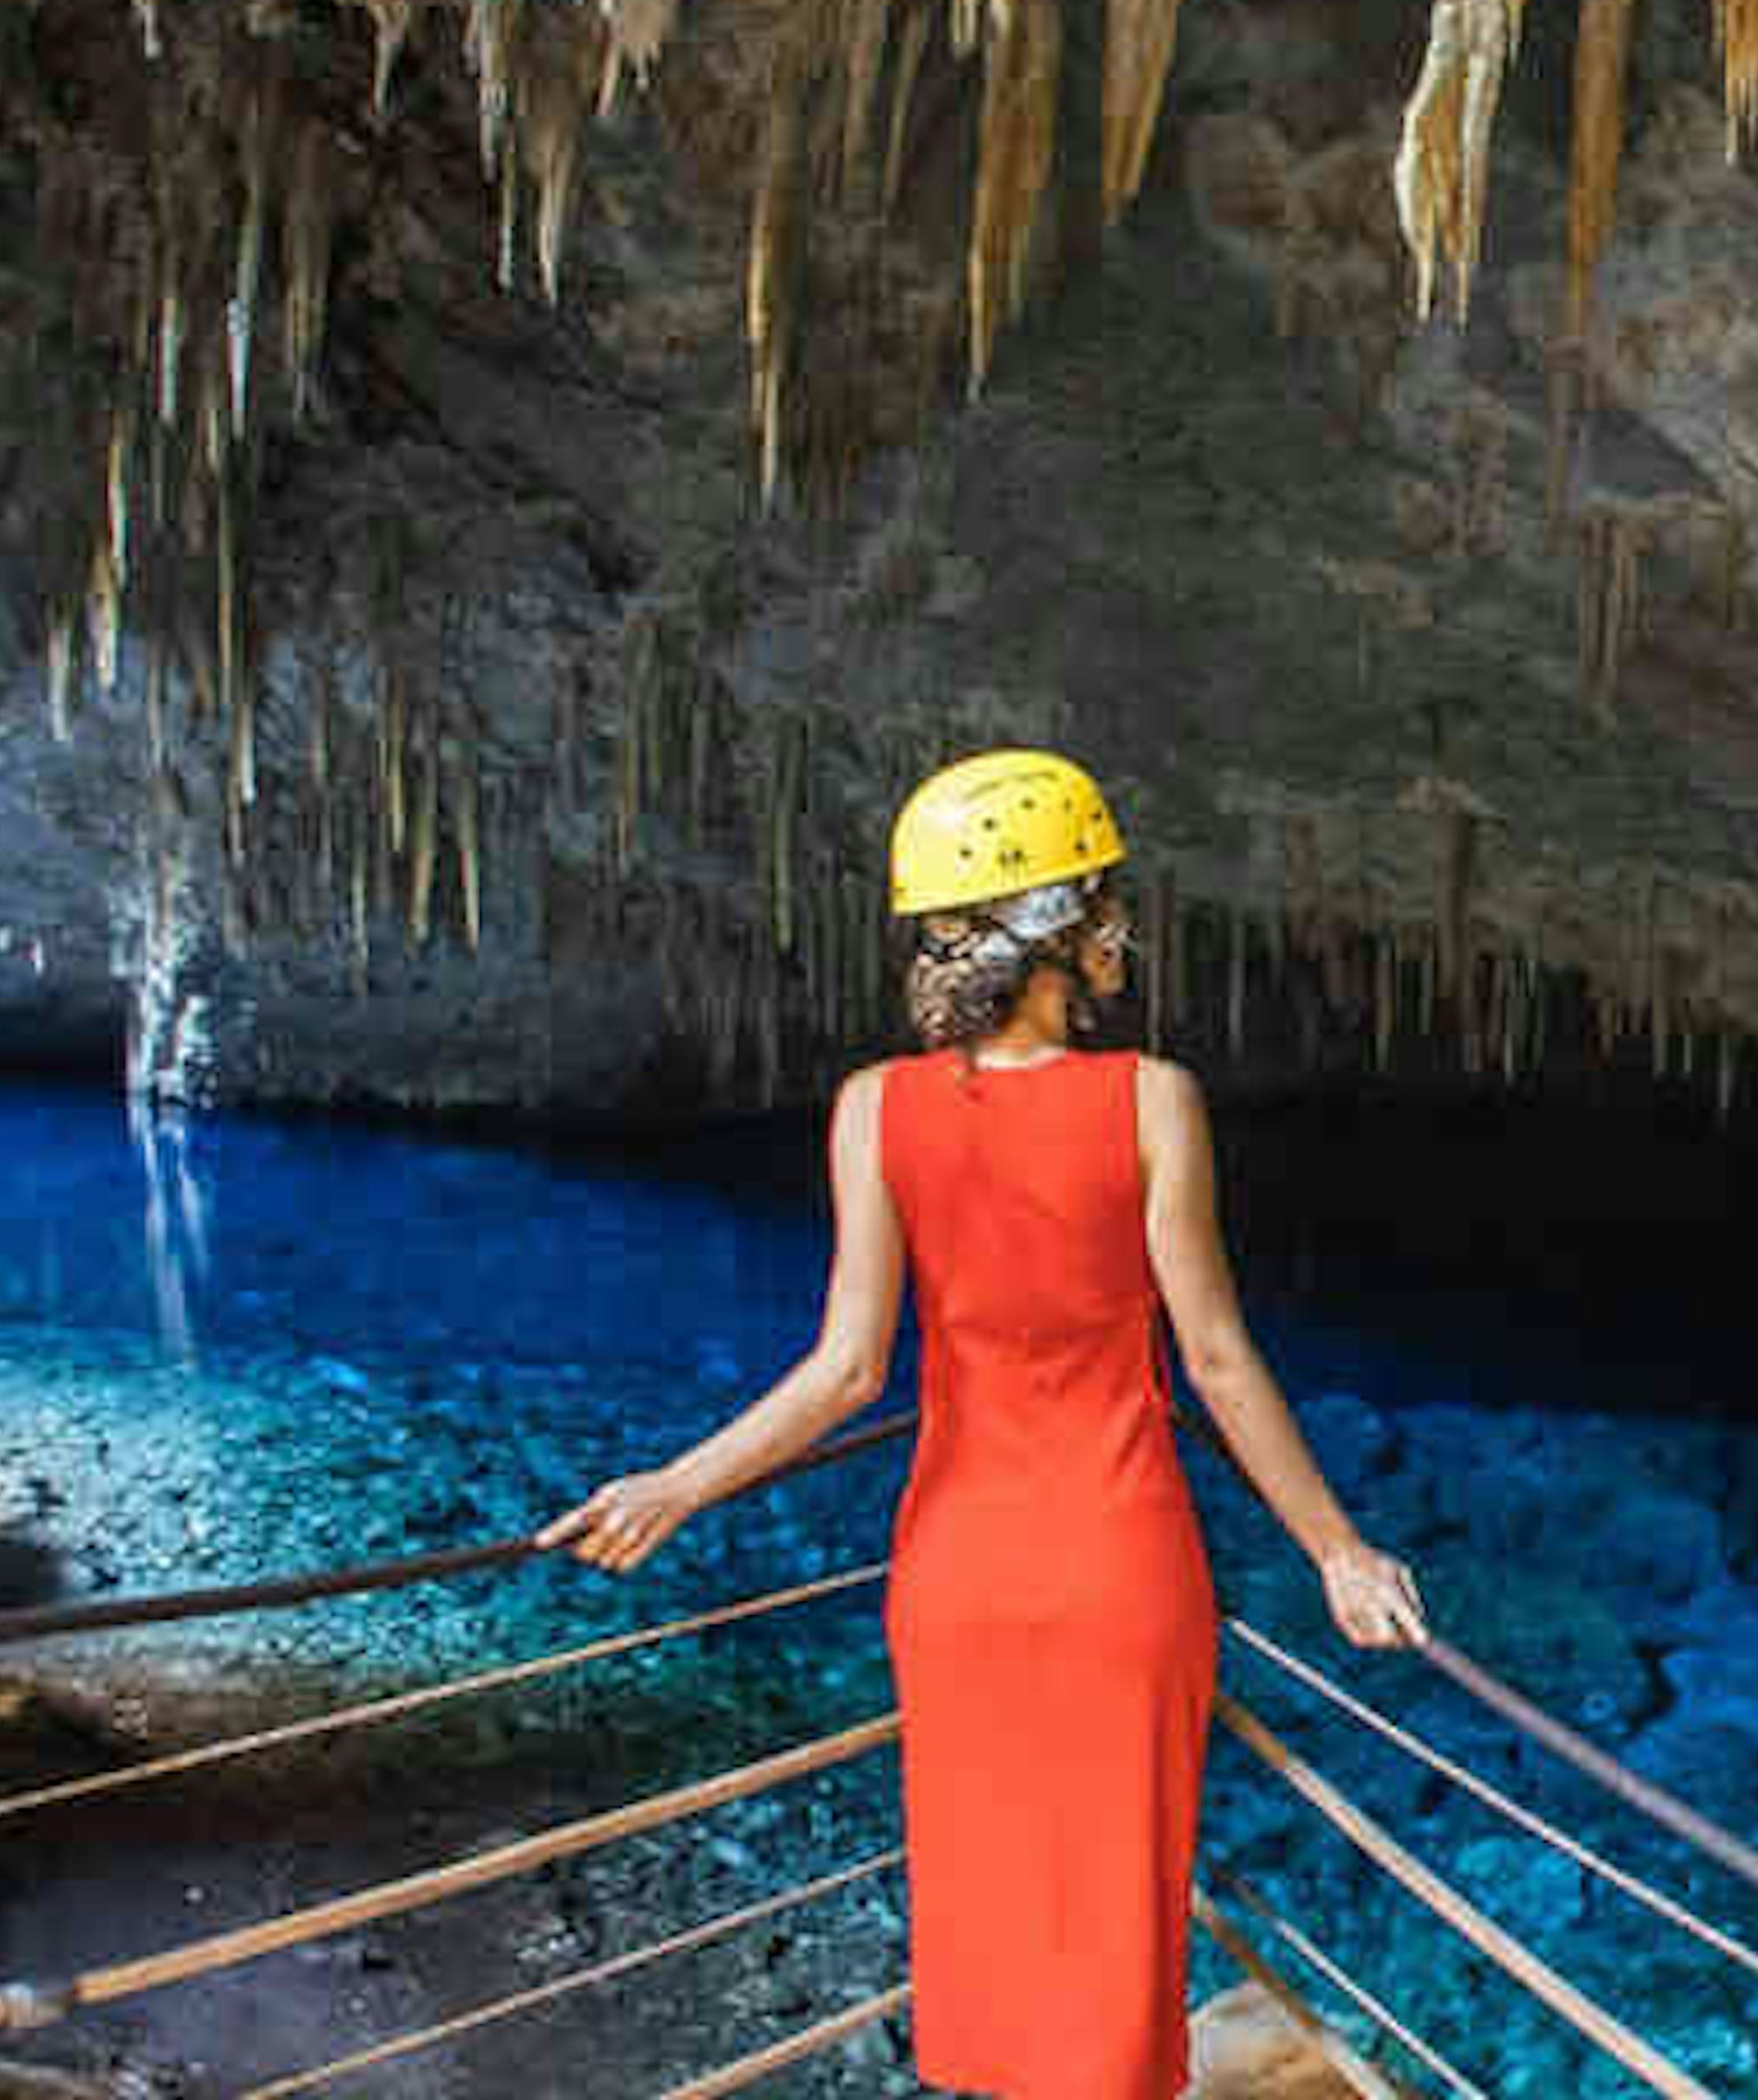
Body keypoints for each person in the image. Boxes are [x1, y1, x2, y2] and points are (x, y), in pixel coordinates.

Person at [536, 747, 1429, 2099]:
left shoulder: (871, 1112)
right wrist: (1335, 1550)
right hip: (1116, 1566)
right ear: (1064, 932)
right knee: (1117, 1930)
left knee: (994, 1918)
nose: (1122, 928)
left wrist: (674, 1487)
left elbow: (845, 1373)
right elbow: (1218, 1361)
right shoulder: (1149, 1101)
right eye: (1104, 902)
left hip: (955, 1574)